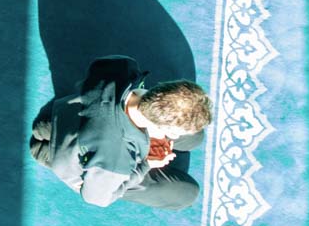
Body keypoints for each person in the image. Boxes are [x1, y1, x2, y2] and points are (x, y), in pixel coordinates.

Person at [29, 54, 212, 210]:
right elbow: (96, 198)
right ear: (158, 127)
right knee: (187, 193)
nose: (175, 137)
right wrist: (146, 164)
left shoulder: (122, 67)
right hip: (71, 158)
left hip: (60, 116)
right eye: (173, 133)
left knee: (195, 136)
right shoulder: (114, 160)